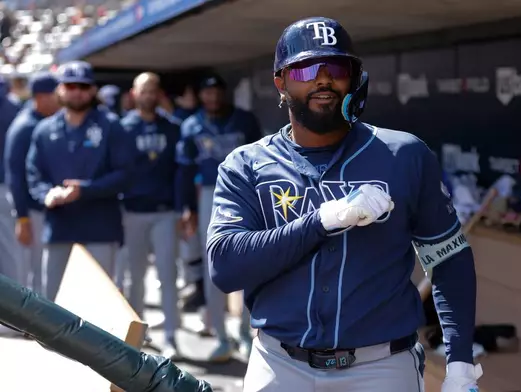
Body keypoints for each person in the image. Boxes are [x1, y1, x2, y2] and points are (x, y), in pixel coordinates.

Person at [208, 17, 481, 392]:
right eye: (307, 69)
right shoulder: (247, 163)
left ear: (354, 79)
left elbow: (449, 258)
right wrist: (322, 221)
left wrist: (461, 363)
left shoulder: (403, 154)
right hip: (279, 364)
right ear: (281, 82)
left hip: (381, 366)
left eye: (336, 68)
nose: (323, 79)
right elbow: (225, 267)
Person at [26, 61, 136, 300]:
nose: (77, 92)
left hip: (99, 228)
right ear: (60, 89)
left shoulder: (111, 126)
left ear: (93, 90)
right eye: (71, 85)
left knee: (99, 305)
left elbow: (126, 175)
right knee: (54, 307)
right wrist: (47, 194)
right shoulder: (44, 130)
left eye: (83, 86)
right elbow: (34, 175)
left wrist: (85, 190)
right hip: (59, 228)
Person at [176, 74, 262, 361]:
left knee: (249, 261)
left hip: (244, 191)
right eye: (207, 93)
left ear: (223, 93)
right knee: (214, 262)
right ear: (201, 96)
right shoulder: (191, 125)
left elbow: (262, 162)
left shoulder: (244, 120)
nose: (212, 98)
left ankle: (245, 333)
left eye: (216, 92)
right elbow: (185, 171)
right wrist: (186, 208)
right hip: (208, 194)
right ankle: (222, 337)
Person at [120, 72, 181, 360]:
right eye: (143, 90)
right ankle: (138, 336)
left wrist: (183, 208)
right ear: (134, 93)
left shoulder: (172, 128)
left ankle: (171, 336)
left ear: (159, 94)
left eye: (153, 90)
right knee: (137, 278)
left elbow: (181, 171)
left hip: (164, 212)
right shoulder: (123, 129)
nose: (148, 95)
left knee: (169, 275)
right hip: (133, 212)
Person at [4, 71, 60, 297]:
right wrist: (23, 217)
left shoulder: (41, 120)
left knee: (38, 270)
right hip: (28, 208)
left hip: (39, 207)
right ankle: (18, 323)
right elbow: (15, 175)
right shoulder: (26, 125)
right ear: (41, 96)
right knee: (25, 269)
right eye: (55, 94)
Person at [0, 73, 21, 336]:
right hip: (7, 186)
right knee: (10, 253)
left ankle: (14, 318)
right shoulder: (16, 108)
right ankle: (14, 317)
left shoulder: (13, 109)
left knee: (9, 254)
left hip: (4, 186)